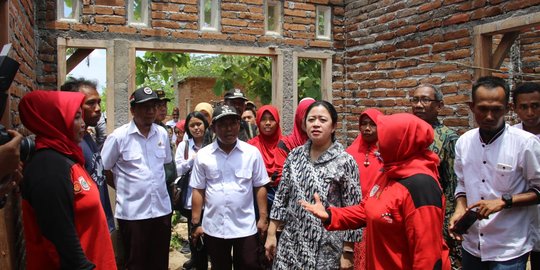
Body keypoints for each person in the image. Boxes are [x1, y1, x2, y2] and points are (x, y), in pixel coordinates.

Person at [300, 113, 450, 270]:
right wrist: (330, 215)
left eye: (383, 139)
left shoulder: (421, 186)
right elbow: (366, 209)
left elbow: (427, 257)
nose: (378, 145)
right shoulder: (390, 172)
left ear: (399, 142)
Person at [449, 76, 540, 269]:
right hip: (472, 243)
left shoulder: (525, 143)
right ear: (472, 106)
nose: (489, 116)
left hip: (508, 248)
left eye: (496, 109)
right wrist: (459, 207)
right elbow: (462, 184)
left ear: (507, 108)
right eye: (483, 109)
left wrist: (504, 201)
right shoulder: (464, 142)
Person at [19, 90, 116, 269]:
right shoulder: (49, 168)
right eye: (76, 117)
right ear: (55, 120)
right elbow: (59, 239)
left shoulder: (67, 157)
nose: (83, 124)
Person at [265, 101, 362, 270]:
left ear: (333, 127)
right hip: (291, 243)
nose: (316, 124)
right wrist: (272, 233)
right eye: (311, 120)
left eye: (322, 120)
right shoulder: (295, 156)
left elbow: (352, 208)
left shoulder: (345, 161)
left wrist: (348, 251)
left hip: (326, 247)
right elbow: (282, 197)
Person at [101, 86, 173, 270]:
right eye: (144, 107)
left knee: (159, 262)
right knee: (135, 263)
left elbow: (164, 164)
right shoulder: (119, 137)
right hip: (133, 214)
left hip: (161, 212)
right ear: (133, 110)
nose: (150, 111)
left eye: (153, 106)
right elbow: (105, 168)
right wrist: (126, 188)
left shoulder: (162, 134)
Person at [190, 104, 269, 270]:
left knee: (249, 265)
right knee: (220, 266)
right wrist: (196, 223)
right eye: (223, 125)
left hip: (245, 227)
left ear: (239, 125)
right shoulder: (204, 156)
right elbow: (198, 189)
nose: (229, 129)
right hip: (214, 227)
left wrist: (263, 218)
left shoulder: (251, 153)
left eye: (233, 123)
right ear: (213, 128)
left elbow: (260, 186)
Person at [410, 83, 460, 269]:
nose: (418, 104)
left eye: (425, 99)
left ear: (439, 106)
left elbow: (452, 184)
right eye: (415, 99)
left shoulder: (448, 138)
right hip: (410, 209)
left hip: (436, 213)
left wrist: (448, 222)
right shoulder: (408, 134)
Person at [61, 77, 115, 233]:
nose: (98, 108)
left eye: (98, 102)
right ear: (73, 106)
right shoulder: (71, 146)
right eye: (91, 103)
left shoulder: (86, 137)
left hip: (100, 223)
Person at [344, 108, 383, 270]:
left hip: (378, 217)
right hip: (354, 216)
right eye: (363, 124)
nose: (367, 128)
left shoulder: (387, 153)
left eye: (372, 124)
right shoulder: (349, 153)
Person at [175, 111, 211, 270]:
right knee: (195, 236)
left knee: (211, 237)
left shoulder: (213, 143)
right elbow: (178, 168)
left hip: (210, 198)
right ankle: (198, 262)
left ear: (205, 125)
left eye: (199, 124)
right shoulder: (185, 146)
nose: (196, 128)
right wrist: (193, 159)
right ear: (188, 128)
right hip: (191, 198)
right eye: (192, 125)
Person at [512, 82, 540, 269]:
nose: (530, 112)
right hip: (517, 220)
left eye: (536, 106)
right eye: (524, 107)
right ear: (514, 108)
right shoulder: (509, 137)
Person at [248, 105, 283, 211]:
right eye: (263, 119)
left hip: (283, 196)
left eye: (272, 119)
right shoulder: (250, 146)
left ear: (277, 121)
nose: (268, 123)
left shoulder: (286, 144)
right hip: (257, 198)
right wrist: (262, 180)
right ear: (258, 122)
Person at [154, 89, 178, 205]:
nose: (163, 109)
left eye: (164, 105)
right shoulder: (146, 131)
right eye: (159, 105)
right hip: (155, 187)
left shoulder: (164, 128)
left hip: (167, 184)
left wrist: (173, 183)